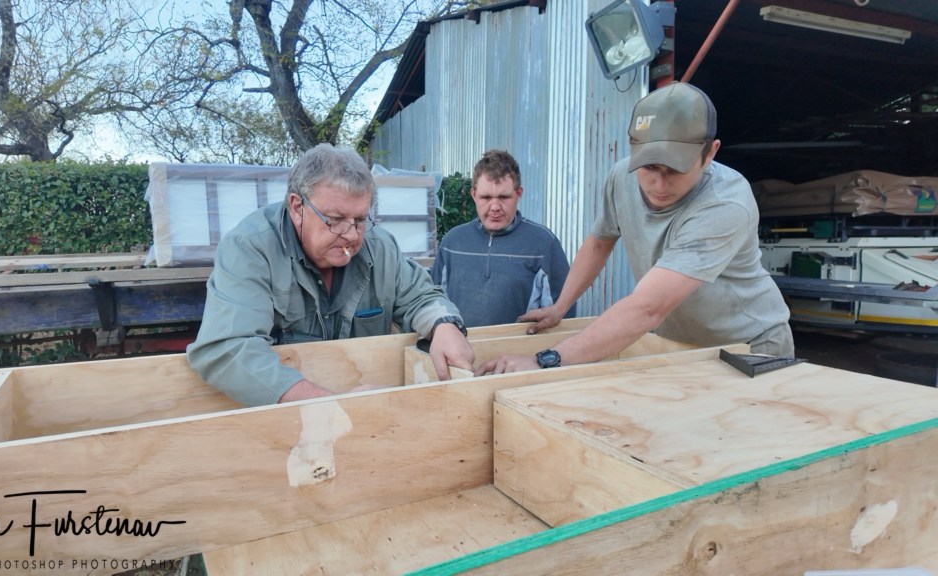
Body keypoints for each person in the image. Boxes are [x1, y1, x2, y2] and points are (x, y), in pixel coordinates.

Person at [477, 82, 793, 375]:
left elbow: (648, 307)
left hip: (750, 346)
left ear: (709, 152)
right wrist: (559, 307)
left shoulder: (725, 205)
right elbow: (600, 242)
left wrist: (544, 361)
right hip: (678, 341)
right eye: (650, 166)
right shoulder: (621, 177)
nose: (658, 184)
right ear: (632, 145)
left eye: (674, 170)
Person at [187, 143, 475, 406]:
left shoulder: (379, 246)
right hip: (280, 421)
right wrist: (331, 405)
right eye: (335, 221)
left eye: (360, 220)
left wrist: (444, 326)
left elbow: (421, 296)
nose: (351, 235)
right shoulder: (250, 249)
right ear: (298, 207)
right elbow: (228, 348)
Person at [430, 149, 575, 327]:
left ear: (518, 194)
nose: (495, 206)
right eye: (486, 197)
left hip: (519, 350)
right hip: (460, 350)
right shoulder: (452, 243)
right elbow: (433, 303)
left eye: (504, 197)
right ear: (473, 194)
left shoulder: (543, 244)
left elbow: (563, 315)